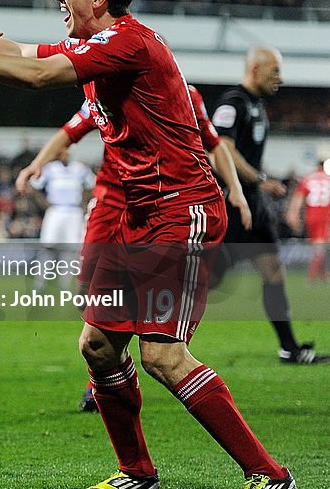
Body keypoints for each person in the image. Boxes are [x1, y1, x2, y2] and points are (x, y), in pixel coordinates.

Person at [0, 0, 296, 489]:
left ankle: (268, 473)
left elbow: (33, 74)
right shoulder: (97, 48)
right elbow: (20, 49)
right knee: (99, 344)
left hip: (179, 211)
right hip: (131, 216)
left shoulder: (130, 42)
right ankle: (136, 469)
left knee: (163, 356)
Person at [19, 84, 251, 412]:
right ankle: (110, 370)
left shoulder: (185, 95)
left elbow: (214, 144)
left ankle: (105, 382)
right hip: (110, 202)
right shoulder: (107, 91)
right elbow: (69, 132)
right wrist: (37, 164)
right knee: (87, 293)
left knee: (150, 308)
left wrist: (236, 189)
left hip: (154, 208)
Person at [209, 48, 330, 365]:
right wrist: (260, 178)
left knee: (273, 270)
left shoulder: (256, 105)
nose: (280, 77)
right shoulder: (233, 103)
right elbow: (221, 149)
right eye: (274, 71)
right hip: (232, 200)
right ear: (255, 68)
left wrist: (260, 185)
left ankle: (289, 348)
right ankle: (151, 320)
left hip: (253, 201)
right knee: (210, 279)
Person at [25, 150, 94, 292]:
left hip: (73, 212)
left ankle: (64, 287)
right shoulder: (50, 169)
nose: (65, 154)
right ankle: (39, 285)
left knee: (71, 250)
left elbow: (93, 184)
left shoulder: (79, 169)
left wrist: (84, 202)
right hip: (55, 211)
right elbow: (33, 185)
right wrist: (44, 203)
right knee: (47, 247)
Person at [286, 161, 330, 284]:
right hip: (324, 217)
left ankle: (324, 276)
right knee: (319, 248)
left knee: (317, 247)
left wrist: (292, 213)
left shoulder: (307, 179)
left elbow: (298, 197)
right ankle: (311, 276)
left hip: (310, 216)